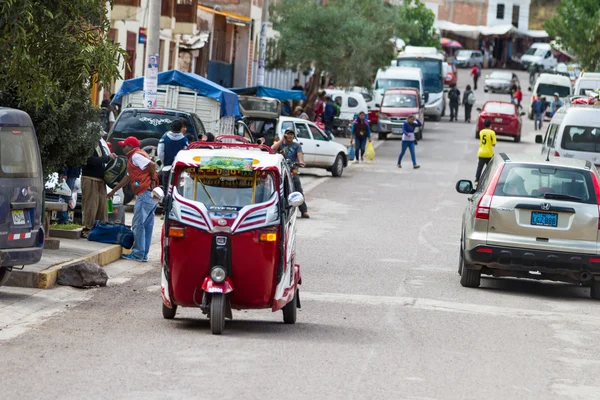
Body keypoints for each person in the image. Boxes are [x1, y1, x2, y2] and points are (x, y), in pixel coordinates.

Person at [108, 137, 159, 262]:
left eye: (125, 146)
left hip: (144, 194)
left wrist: (152, 180)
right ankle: (143, 254)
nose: (123, 148)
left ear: (131, 146)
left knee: (138, 225)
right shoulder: (136, 157)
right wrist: (113, 191)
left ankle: (138, 254)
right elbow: (128, 178)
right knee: (147, 225)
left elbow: (152, 165)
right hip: (150, 195)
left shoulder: (136, 156)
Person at [81, 139, 115, 238]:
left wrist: (110, 158)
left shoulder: (99, 143)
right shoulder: (87, 143)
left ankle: (100, 228)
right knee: (91, 205)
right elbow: (89, 160)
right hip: (90, 178)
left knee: (102, 206)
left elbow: (103, 158)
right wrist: (106, 158)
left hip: (101, 179)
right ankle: (88, 228)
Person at [272, 129, 309, 218]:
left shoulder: (297, 146)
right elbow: (272, 149)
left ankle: (304, 211)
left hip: (292, 170)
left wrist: (301, 162)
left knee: (298, 188)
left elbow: (300, 156)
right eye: (288, 134)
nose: (290, 136)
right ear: (285, 135)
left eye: (292, 134)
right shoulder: (281, 145)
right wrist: (281, 140)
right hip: (282, 170)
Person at [157, 119, 189, 205]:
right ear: (181, 128)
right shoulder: (184, 140)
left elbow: (160, 153)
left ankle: (165, 205)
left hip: (166, 168)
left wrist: (165, 162)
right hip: (179, 169)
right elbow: (186, 153)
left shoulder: (164, 138)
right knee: (177, 189)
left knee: (166, 188)